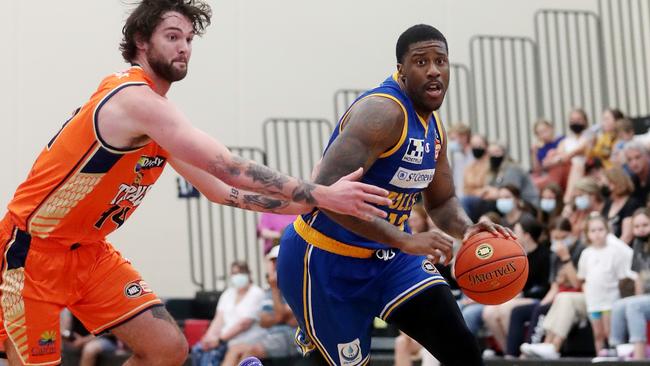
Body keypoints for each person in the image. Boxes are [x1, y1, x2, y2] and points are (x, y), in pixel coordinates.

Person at [0, 2, 393, 365]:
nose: (184, 47)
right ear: (141, 41)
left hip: (90, 253)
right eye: (172, 36)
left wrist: (307, 205)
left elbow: (220, 190)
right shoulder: (133, 99)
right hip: (32, 252)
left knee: (167, 348)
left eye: (189, 39)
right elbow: (227, 166)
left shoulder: (161, 117)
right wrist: (322, 192)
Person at [277, 24, 513, 366]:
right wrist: (403, 240)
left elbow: (442, 202)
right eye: (421, 62)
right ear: (401, 70)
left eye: (440, 61)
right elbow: (324, 195)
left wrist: (467, 230)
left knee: (461, 347)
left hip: (389, 259)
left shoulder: (434, 128)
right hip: (325, 260)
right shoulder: (383, 113)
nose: (433, 70)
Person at [220, 247, 299, 365]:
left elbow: (280, 316)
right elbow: (264, 321)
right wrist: (277, 317)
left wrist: (274, 287)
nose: (276, 266)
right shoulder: (268, 292)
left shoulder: (296, 288)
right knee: (236, 349)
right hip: (270, 336)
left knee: (250, 352)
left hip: (291, 338)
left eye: (278, 262)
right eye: (273, 263)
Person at [191, 262, 265, 366]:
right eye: (234, 273)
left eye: (241, 272)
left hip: (247, 340)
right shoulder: (228, 294)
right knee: (200, 350)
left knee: (234, 352)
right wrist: (208, 338)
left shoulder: (256, 293)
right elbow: (218, 319)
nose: (237, 276)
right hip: (226, 341)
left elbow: (244, 324)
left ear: (248, 274)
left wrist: (220, 340)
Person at [609, 208, 650, 360]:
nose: (641, 230)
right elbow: (639, 278)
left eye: (645, 225)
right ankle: (617, 349)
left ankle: (639, 357)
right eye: (637, 226)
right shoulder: (638, 245)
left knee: (635, 306)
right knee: (619, 305)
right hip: (646, 298)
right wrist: (638, 297)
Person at [601, 166, 640, 243]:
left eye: (606, 184)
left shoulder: (631, 204)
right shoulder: (608, 203)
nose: (603, 187)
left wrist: (613, 252)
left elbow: (627, 236)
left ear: (616, 183)